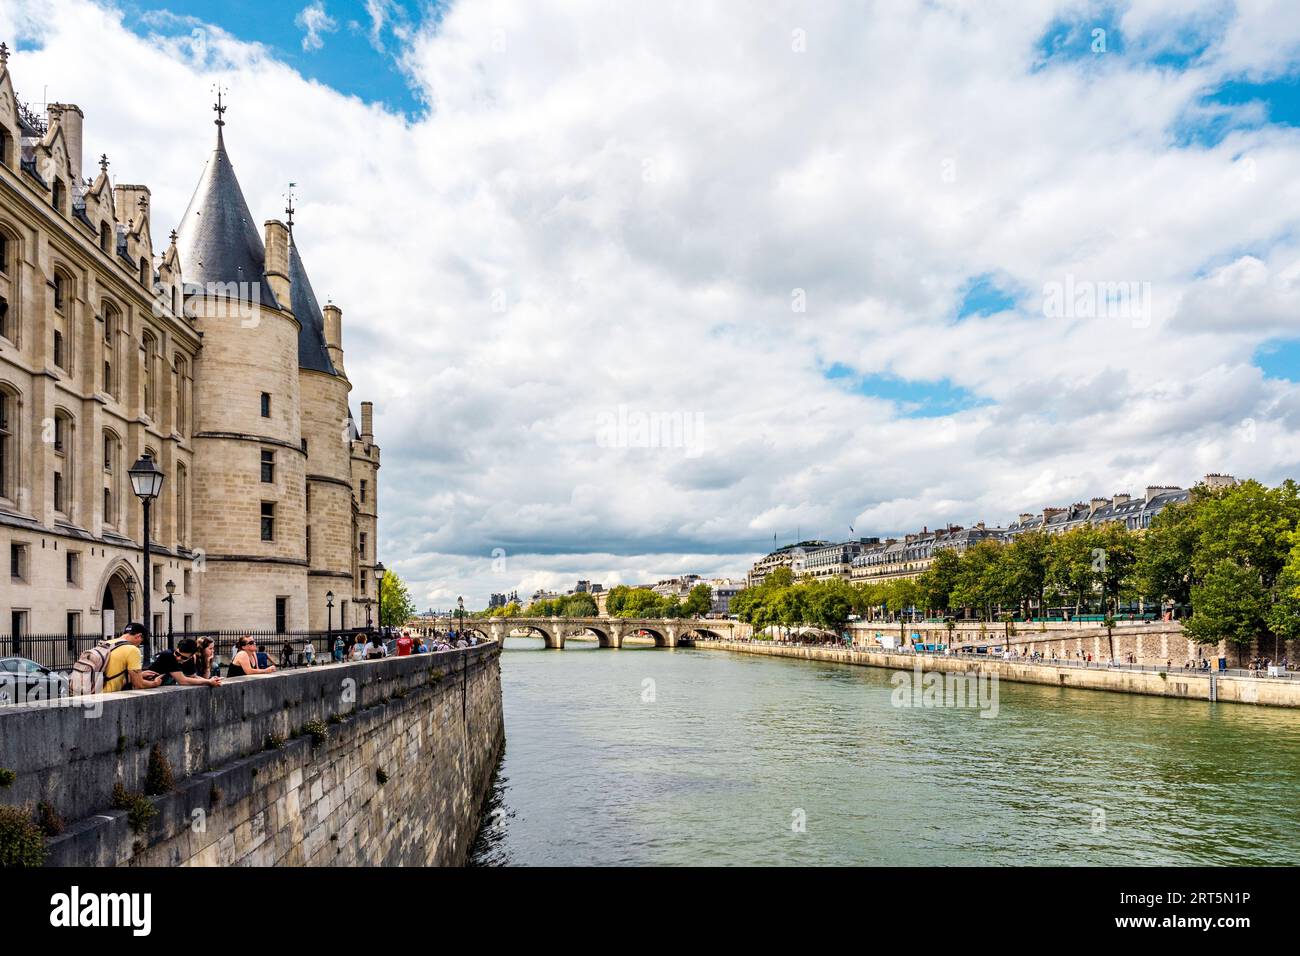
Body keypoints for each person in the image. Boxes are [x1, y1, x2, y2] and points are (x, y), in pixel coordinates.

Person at [100, 623, 163, 693]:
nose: (139, 645)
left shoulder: (105, 643)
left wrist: (139, 675)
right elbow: (138, 684)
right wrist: (155, 683)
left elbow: (112, 676)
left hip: (92, 693)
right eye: (141, 642)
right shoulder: (132, 650)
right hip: (108, 696)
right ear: (139, 636)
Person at [145, 638, 222, 688]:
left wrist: (212, 680)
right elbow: (182, 681)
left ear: (191, 656)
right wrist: (208, 681)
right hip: (148, 684)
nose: (178, 658)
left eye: (184, 657)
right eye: (177, 654)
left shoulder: (190, 659)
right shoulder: (168, 655)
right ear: (177, 648)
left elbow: (193, 677)